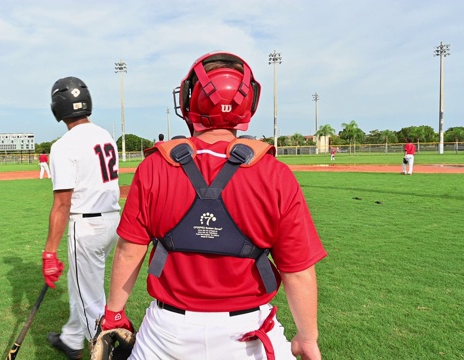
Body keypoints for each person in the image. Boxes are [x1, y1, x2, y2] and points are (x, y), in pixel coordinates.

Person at [100, 52, 327, 359]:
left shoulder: (154, 167)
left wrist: (114, 313)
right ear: (249, 104)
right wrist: (307, 337)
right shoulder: (275, 174)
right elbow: (298, 271)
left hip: (167, 334)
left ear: (190, 100)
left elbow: (129, 251)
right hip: (248, 335)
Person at [42, 76, 121, 359]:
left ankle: (107, 351)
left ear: (57, 108)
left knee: (91, 300)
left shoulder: (64, 145)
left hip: (86, 225)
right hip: (112, 221)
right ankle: (71, 339)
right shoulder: (104, 135)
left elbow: (62, 204)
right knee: (82, 287)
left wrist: (50, 252)